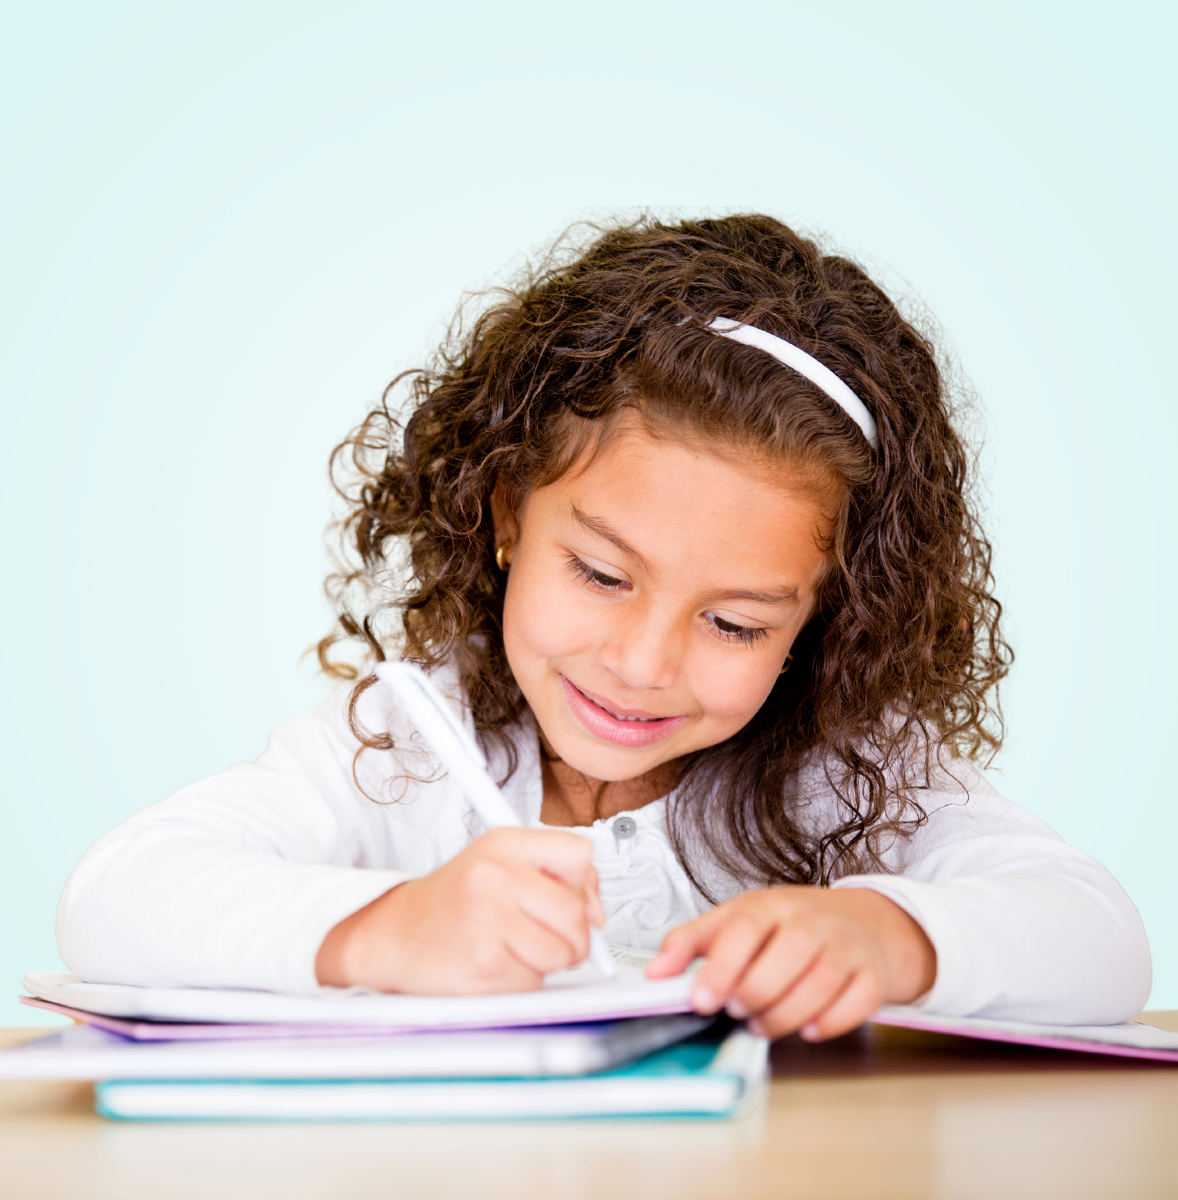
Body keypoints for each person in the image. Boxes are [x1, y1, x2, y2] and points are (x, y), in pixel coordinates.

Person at [56, 215, 1150, 1041]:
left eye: (731, 622)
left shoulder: (848, 782)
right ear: (503, 516)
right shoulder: (401, 752)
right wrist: (390, 928)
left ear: (823, 620)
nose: (640, 663)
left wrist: (888, 937)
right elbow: (115, 900)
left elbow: (1101, 939)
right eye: (599, 572)